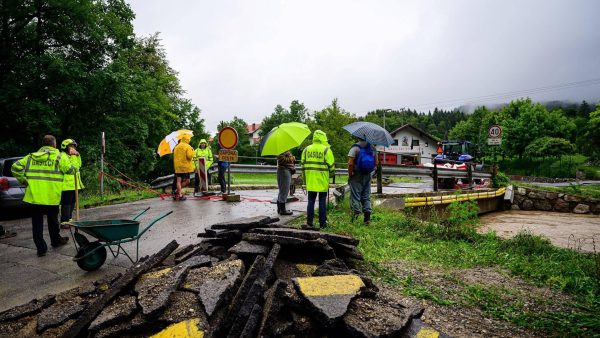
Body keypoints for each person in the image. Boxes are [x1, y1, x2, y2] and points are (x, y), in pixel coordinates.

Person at [11, 135, 74, 256]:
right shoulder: (59, 157)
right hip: (51, 197)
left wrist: (23, 180)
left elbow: (15, 167)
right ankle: (55, 241)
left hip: (35, 197)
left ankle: (41, 248)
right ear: (54, 145)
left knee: (37, 224)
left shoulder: (31, 157)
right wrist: (73, 156)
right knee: (53, 221)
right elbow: (71, 170)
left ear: (43, 145)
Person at [301, 130, 335, 229]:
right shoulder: (326, 150)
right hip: (322, 180)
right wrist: (330, 176)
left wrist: (305, 179)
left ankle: (309, 222)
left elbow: (302, 165)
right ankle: (323, 223)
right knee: (322, 202)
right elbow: (332, 167)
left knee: (310, 201)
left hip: (310, 180)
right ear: (323, 138)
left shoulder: (306, 149)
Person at [348, 137, 378, 224]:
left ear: (358, 137)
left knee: (355, 196)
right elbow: (376, 163)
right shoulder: (372, 148)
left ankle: (355, 216)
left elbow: (350, 163)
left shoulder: (355, 148)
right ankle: (367, 218)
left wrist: (350, 175)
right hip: (367, 174)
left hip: (356, 174)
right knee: (366, 196)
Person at [59, 139, 84, 228]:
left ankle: (69, 220)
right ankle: (64, 223)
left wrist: (77, 155)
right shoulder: (63, 156)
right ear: (65, 147)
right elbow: (70, 170)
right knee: (66, 204)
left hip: (74, 184)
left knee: (72, 203)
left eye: (74, 146)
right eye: (71, 146)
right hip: (66, 185)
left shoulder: (71, 156)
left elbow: (79, 165)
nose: (73, 148)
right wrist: (74, 156)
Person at [173, 134, 194, 200]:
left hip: (178, 167)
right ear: (187, 140)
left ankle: (177, 192)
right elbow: (189, 156)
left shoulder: (176, 147)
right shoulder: (188, 146)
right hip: (185, 167)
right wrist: (192, 151)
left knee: (178, 181)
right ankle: (180, 194)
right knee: (187, 181)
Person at [276, 151, 296, 215]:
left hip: (286, 171)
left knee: (282, 190)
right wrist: (292, 158)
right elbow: (281, 159)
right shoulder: (281, 150)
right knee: (284, 190)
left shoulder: (285, 149)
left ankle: (280, 208)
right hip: (284, 171)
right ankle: (282, 210)